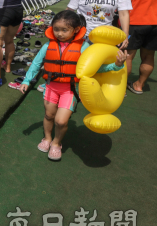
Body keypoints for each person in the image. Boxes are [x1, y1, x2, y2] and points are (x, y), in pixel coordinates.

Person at [19, 11, 126, 161]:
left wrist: (115, 66)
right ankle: (47, 138)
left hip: (70, 89)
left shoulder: (84, 47)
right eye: (56, 29)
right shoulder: (48, 45)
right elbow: (36, 63)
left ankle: (57, 143)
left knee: (61, 121)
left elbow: (94, 69)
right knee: (49, 115)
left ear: (76, 29)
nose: (60, 33)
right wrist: (26, 80)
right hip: (51, 87)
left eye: (64, 30)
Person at [122, 0, 157, 94]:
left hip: (135, 21)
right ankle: (139, 85)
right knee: (149, 56)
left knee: (127, 55)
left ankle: (121, 87)